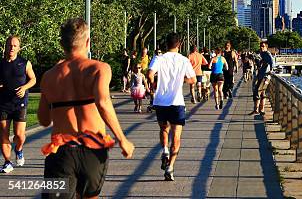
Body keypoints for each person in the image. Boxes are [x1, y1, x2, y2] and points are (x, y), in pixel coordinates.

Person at [37, 18, 134, 198]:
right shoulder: (99, 69)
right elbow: (103, 102)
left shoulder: (49, 76)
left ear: (61, 43)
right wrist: (122, 139)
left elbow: (43, 120)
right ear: (88, 42)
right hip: (93, 148)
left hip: (62, 150)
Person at [147, 32, 196, 181]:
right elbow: (193, 79)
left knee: (163, 129)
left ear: (166, 44)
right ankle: (170, 167)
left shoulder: (159, 58)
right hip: (177, 102)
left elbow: (149, 73)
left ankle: (165, 150)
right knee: (176, 136)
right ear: (179, 44)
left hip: (160, 101)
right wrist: (181, 80)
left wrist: (153, 86)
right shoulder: (184, 60)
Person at [0, 36, 36, 173]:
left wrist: (24, 87)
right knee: (3, 136)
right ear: (5, 46)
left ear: (19, 48)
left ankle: (19, 149)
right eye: (9, 45)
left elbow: (33, 79)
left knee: (19, 135)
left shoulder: (25, 63)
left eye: (15, 46)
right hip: (3, 104)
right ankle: (7, 162)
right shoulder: (1, 64)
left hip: (20, 103)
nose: (12, 48)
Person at [249, 41, 275, 116]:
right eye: (260, 46)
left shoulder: (267, 54)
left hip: (265, 76)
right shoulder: (262, 54)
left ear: (266, 47)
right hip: (260, 75)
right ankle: (260, 110)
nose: (261, 47)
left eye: (263, 46)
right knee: (262, 93)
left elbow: (272, 62)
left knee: (257, 91)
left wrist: (271, 70)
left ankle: (257, 109)